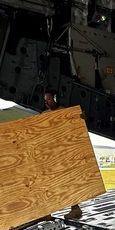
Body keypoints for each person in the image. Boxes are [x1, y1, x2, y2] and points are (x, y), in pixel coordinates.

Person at [43, 90, 82, 220]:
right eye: (45, 100)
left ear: (55, 98)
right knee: (47, 184)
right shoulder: (44, 115)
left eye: (48, 99)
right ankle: (46, 213)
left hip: (63, 154)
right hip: (49, 155)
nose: (46, 102)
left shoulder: (66, 113)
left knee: (68, 182)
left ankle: (75, 209)